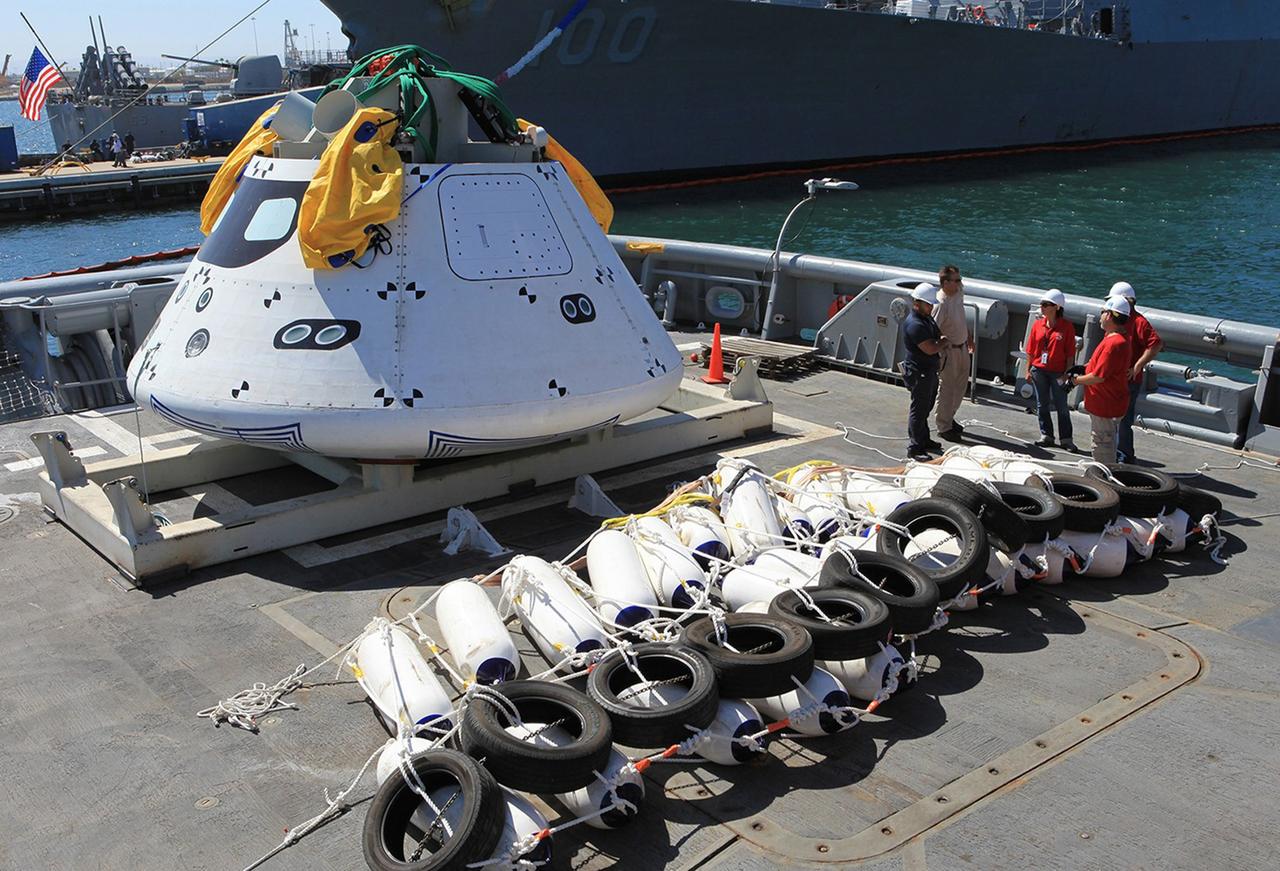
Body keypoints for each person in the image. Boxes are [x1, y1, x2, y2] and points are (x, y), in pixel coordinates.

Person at [1066, 297, 1131, 463]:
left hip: (1105, 406)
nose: (1100, 316)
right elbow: (1103, 367)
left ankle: (1103, 481)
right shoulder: (1116, 339)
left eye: (1102, 312)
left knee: (1102, 447)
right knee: (1106, 441)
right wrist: (1084, 368)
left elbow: (1098, 376)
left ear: (1109, 315)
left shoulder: (1113, 343)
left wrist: (1075, 381)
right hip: (1108, 404)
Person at [1108, 281, 1163, 464]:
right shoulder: (1117, 321)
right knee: (1112, 417)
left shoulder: (1139, 322)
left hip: (1128, 379)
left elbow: (1155, 344)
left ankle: (1124, 456)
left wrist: (1138, 366)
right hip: (1114, 378)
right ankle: (1114, 452)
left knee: (1123, 420)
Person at [1025, 288, 1078, 450]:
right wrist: (1028, 370)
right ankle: (1046, 435)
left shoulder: (1067, 327)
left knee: (1062, 406)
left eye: (1046, 304)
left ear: (1056, 307)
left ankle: (1066, 439)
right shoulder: (1037, 325)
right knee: (1042, 404)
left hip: (1058, 372)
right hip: (1039, 370)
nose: (1042, 307)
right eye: (1042, 304)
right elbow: (1031, 350)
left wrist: (1067, 374)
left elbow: (1070, 354)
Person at [901, 283, 947, 461]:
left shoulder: (926, 319)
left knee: (926, 407)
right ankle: (915, 447)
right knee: (918, 410)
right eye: (928, 304)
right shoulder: (915, 325)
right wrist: (943, 343)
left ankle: (924, 439)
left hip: (928, 371)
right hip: (919, 372)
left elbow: (937, 334)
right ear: (917, 303)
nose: (931, 307)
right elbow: (930, 348)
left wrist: (940, 340)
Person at [933, 265, 974, 441]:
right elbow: (933, 329)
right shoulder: (940, 304)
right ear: (946, 283)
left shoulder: (958, 294)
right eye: (956, 280)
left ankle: (950, 417)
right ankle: (943, 426)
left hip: (963, 346)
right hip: (949, 351)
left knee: (961, 387)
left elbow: (961, 316)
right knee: (948, 389)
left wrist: (969, 336)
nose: (960, 283)